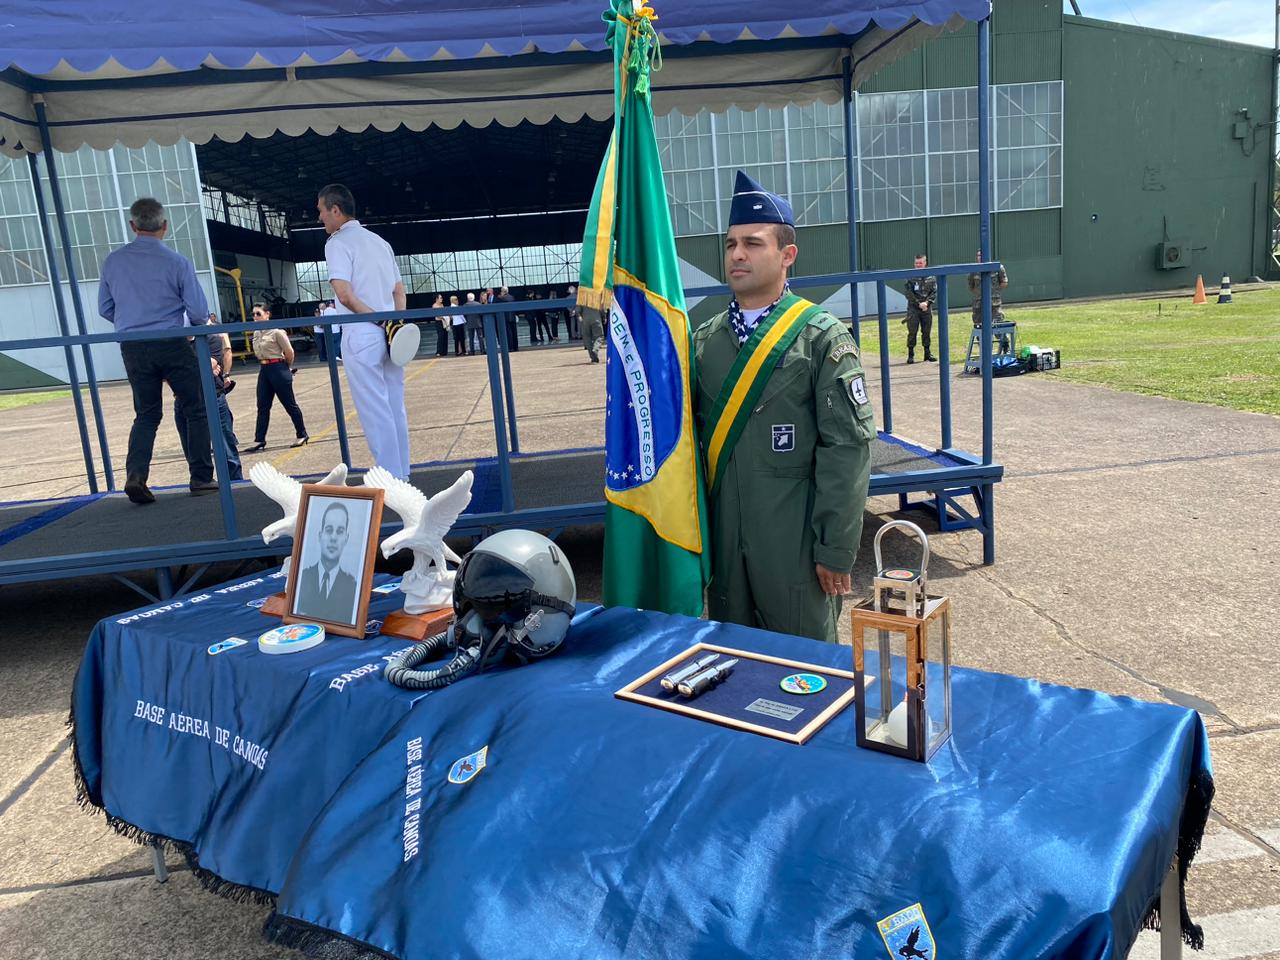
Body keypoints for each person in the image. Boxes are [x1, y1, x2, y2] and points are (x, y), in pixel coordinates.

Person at [693, 171, 875, 644]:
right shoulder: (705, 343)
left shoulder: (820, 339)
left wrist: (835, 549)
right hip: (726, 549)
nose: (737, 254)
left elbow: (847, 450)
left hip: (794, 548)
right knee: (733, 662)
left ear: (787, 254)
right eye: (731, 244)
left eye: (753, 243)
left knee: (805, 667)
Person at [97, 197, 217, 504]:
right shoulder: (177, 262)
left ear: (133, 225)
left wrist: (131, 321)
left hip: (133, 346)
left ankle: (136, 475)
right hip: (172, 341)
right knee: (195, 407)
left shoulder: (113, 262)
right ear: (164, 226)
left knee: (147, 414)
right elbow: (199, 312)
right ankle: (201, 477)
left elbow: (105, 308)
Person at [318, 183, 412, 479]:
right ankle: (403, 474)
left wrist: (379, 322)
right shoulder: (380, 242)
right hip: (390, 334)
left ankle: (390, 478)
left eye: (321, 211)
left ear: (335, 210)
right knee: (395, 405)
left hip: (362, 332)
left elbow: (344, 295)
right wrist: (394, 325)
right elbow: (399, 291)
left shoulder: (337, 243)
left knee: (374, 409)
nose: (319, 217)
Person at [174, 315, 242, 480]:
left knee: (226, 445)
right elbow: (168, 372)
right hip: (184, 399)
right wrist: (203, 368)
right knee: (191, 447)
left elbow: (208, 364)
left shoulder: (211, 339)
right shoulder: (174, 343)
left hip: (213, 397)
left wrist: (185, 369)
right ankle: (202, 481)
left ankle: (236, 482)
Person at [245, 302, 308, 452]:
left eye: (258, 314)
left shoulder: (277, 332)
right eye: (253, 314)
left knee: (289, 404)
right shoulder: (256, 333)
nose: (255, 317)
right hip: (264, 369)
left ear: (267, 314)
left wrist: (286, 367)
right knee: (262, 406)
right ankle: (259, 439)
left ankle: (302, 434)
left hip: (278, 368)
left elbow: (289, 351)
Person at [294, 501, 358, 624]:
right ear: (320, 535)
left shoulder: (353, 587)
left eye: (340, 531)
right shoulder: (301, 578)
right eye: (329, 530)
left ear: (346, 538)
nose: (333, 538)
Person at [969, 250, 1011, 354]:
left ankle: (1005, 347)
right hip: (978, 304)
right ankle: (985, 351)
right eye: (978, 255)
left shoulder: (997, 268)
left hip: (994, 304)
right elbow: (971, 286)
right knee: (979, 327)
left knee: (998, 326)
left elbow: (1004, 283)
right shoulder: (973, 270)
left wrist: (993, 291)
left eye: (981, 255)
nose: (979, 257)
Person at [903, 254, 937, 364]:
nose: (918, 265)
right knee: (912, 332)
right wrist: (919, 304)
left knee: (926, 331)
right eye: (916, 263)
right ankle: (911, 354)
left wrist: (927, 303)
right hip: (913, 309)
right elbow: (908, 293)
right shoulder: (910, 277)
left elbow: (934, 292)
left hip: (926, 309)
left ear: (925, 263)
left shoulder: (931, 277)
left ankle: (927, 353)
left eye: (920, 263)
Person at [495, 286, 518, 351]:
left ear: (503, 291)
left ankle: (510, 347)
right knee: (514, 332)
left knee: (508, 333)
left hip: (506, 317)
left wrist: (500, 296)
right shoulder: (512, 297)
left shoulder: (501, 298)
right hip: (512, 316)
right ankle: (515, 347)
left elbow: (497, 303)